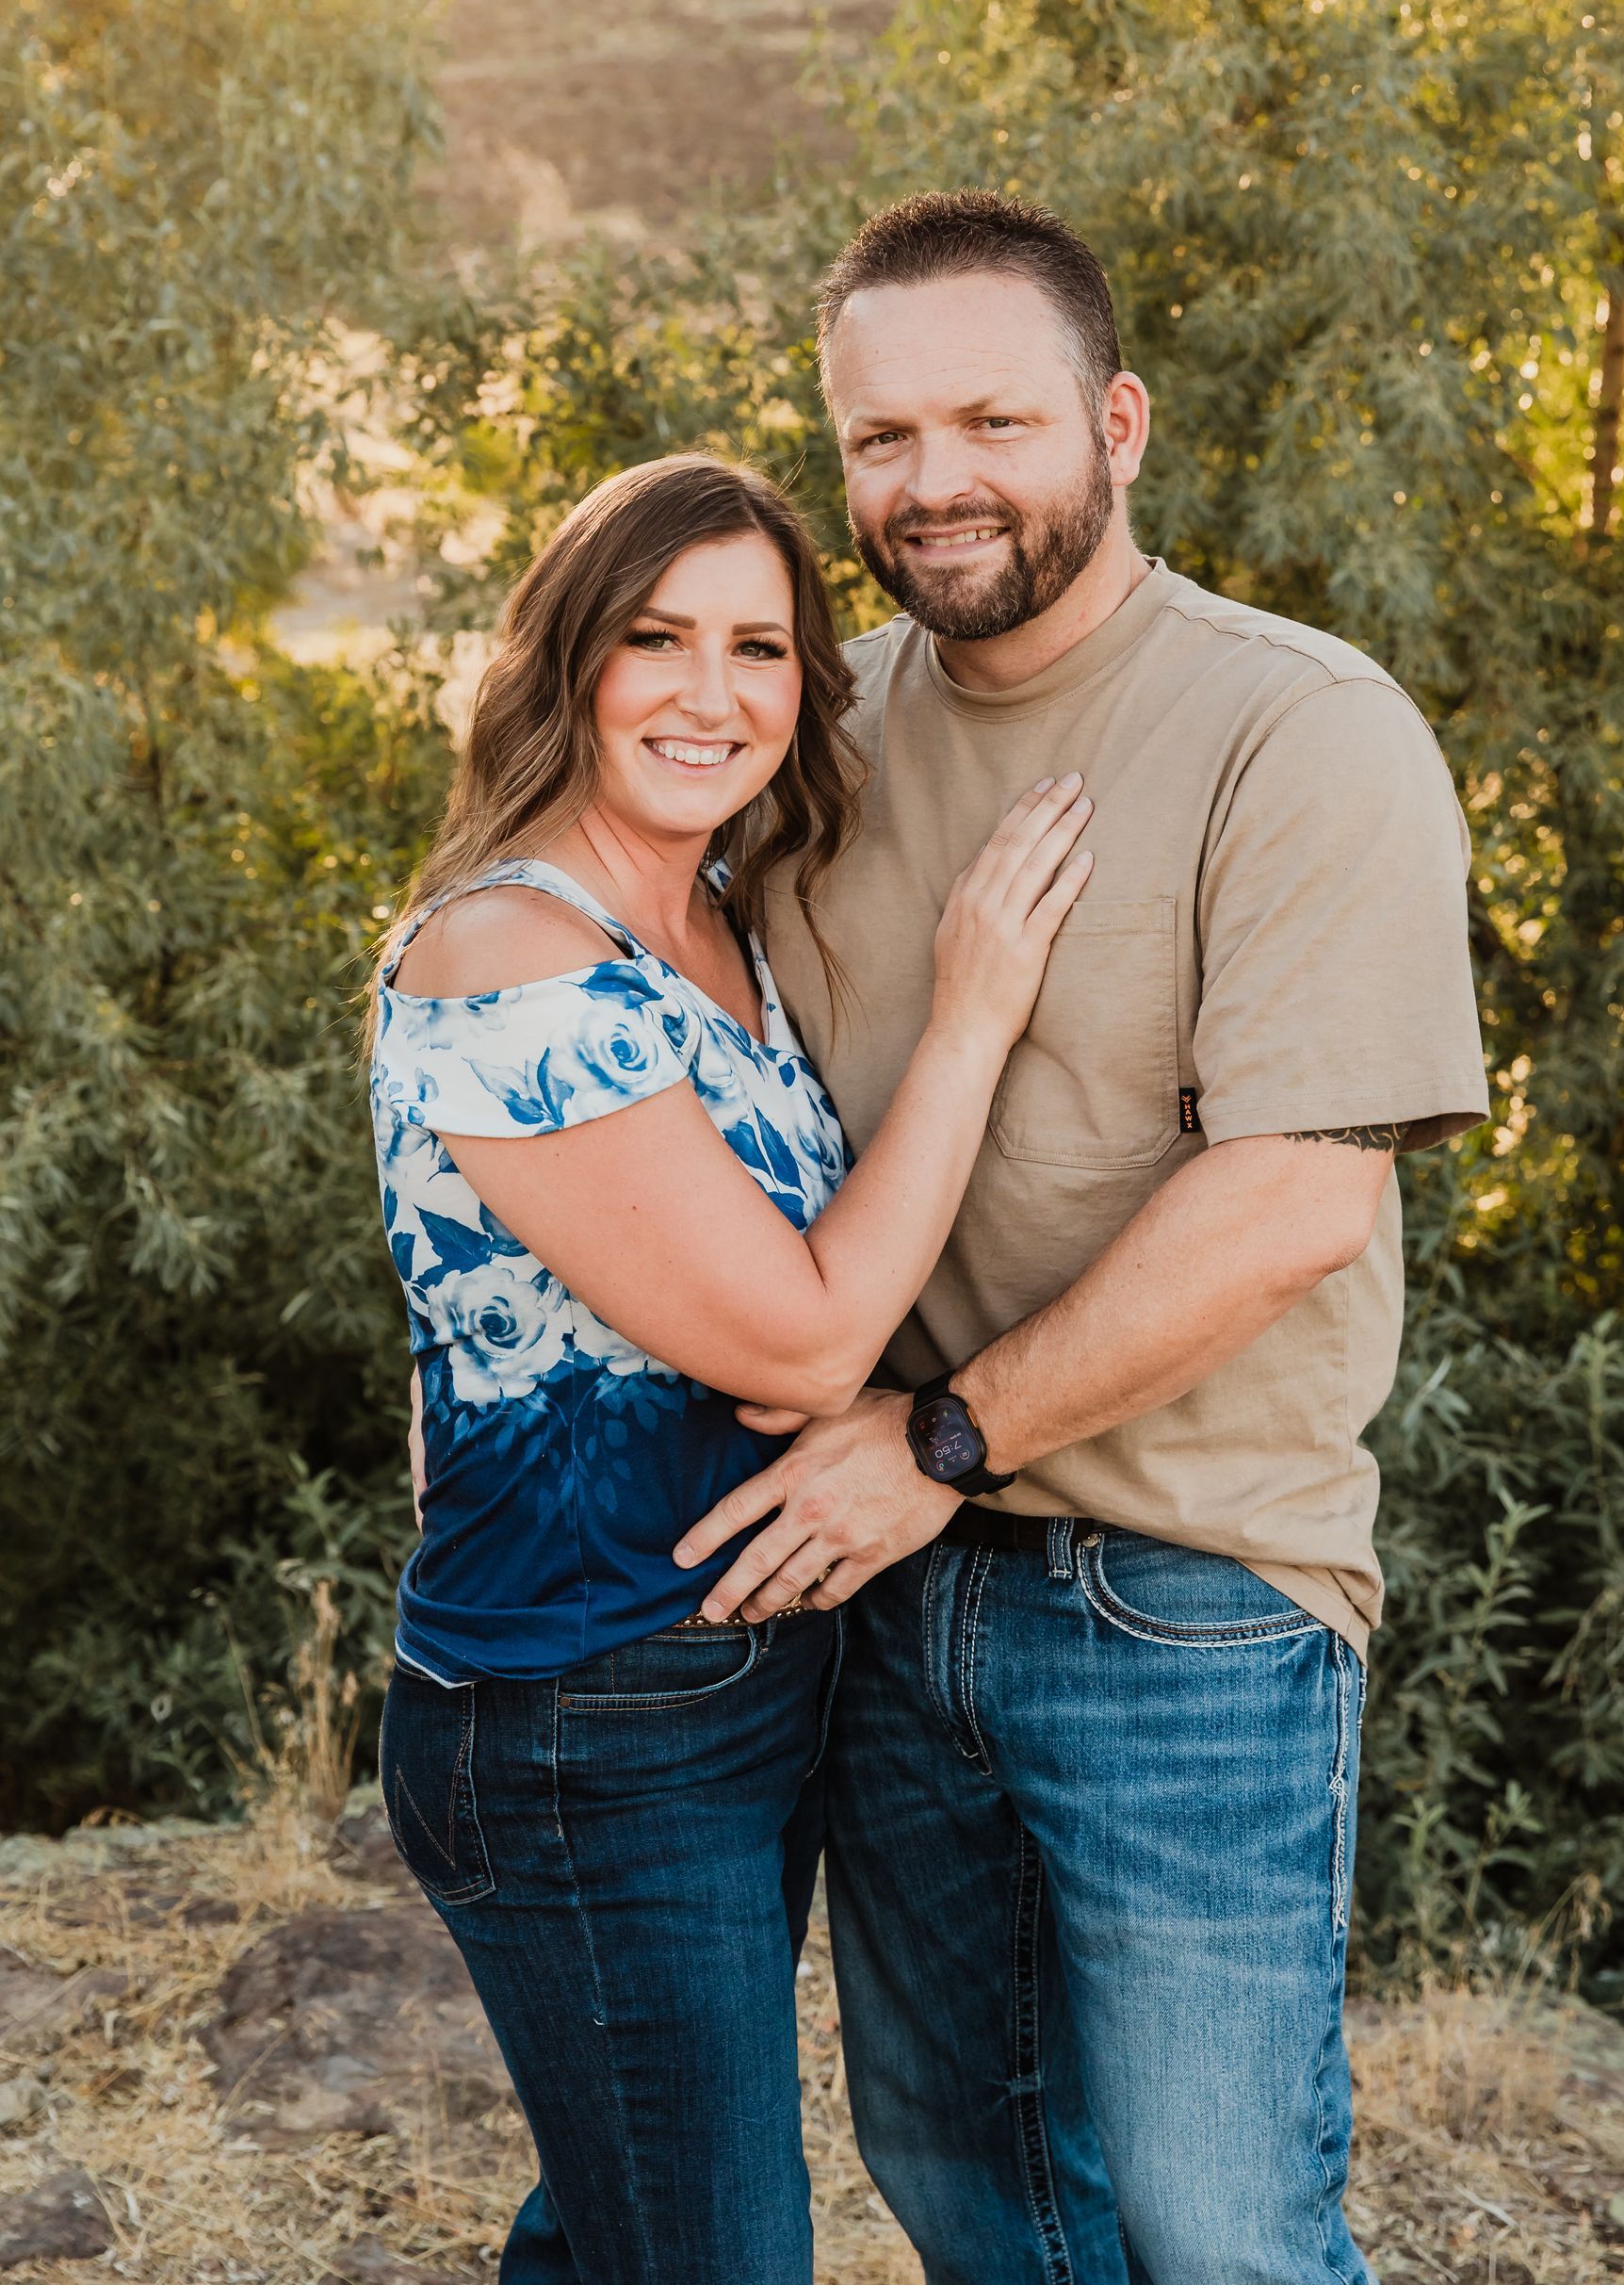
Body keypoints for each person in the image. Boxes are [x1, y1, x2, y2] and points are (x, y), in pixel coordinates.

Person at [679, 194, 1490, 2285]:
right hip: (876, 1589)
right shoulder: (806, 737)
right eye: (880, 437)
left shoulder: (1297, 730)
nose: (932, 480)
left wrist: (942, 1442)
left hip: (1189, 1594)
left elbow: (1298, 1198)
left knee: (1225, 2235)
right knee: (972, 2192)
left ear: (1117, 424)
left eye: (993, 422)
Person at [366, 452, 1094, 2285]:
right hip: (583, 1711)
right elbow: (807, 1341)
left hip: (734, 1680)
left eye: (759, 647)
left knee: (618, 2221)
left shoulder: (719, 920)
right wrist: (978, 1013)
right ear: (568, 659)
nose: (712, 693)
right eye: (656, 638)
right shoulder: (510, 953)